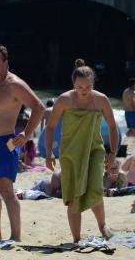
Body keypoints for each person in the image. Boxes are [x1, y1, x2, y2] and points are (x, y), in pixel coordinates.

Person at [0, 44, 44, 242]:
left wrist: (27, 134)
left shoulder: (14, 85)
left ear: (6, 62)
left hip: (3, 144)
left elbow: (39, 107)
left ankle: (16, 237)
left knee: (6, 191)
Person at [45, 60, 119, 243]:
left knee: (95, 188)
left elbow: (112, 126)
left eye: (88, 86)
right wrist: (48, 153)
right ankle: (76, 239)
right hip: (70, 153)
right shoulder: (64, 100)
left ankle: (103, 227)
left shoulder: (101, 99)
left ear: (93, 84)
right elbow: (50, 127)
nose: (84, 90)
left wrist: (113, 153)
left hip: (94, 150)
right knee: (73, 195)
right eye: (80, 87)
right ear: (73, 84)